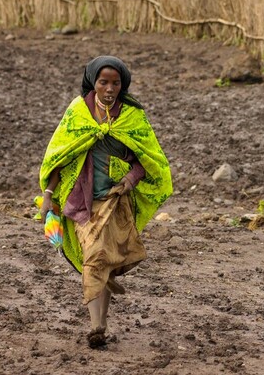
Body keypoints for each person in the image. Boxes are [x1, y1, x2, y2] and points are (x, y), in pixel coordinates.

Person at [39, 56, 173, 349]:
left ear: (122, 85)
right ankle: (96, 323)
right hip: (80, 200)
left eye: (115, 83)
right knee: (96, 256)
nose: (109, 88)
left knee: (102, 260)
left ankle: (99, 324)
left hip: (114, 200)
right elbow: (60, 157)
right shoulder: (77, 113)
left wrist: (130, 180)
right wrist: (48, 196)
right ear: (93, 83)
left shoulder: (133, 116)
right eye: (103, 82)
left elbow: (147, 160)